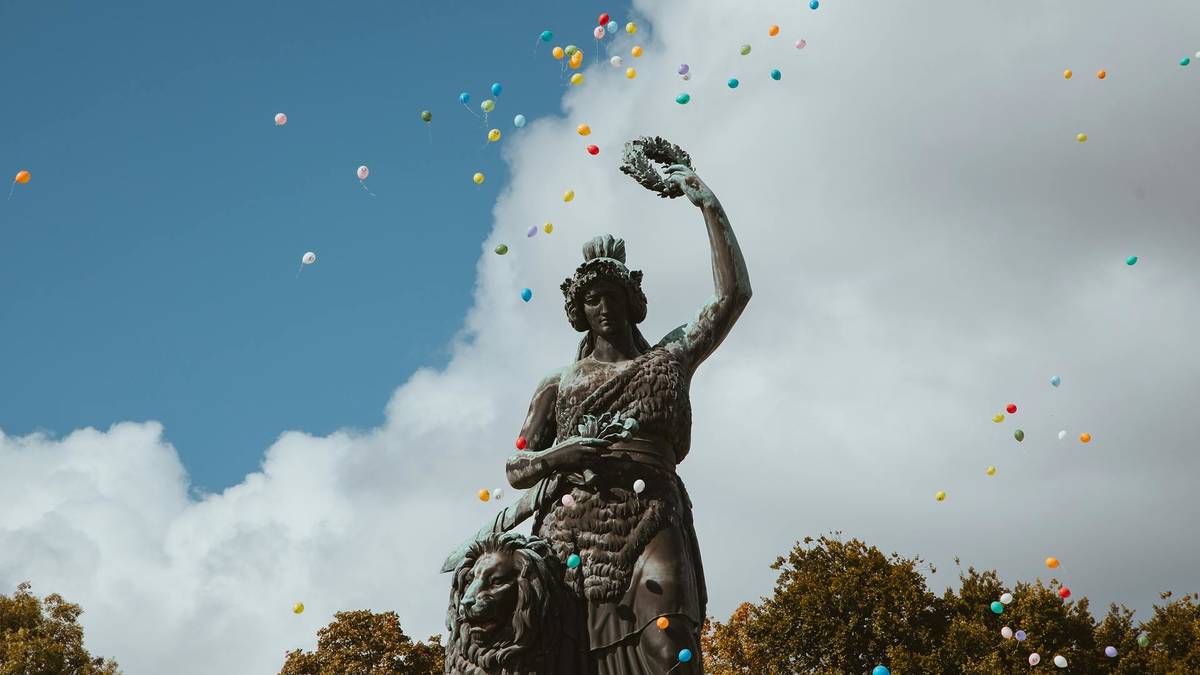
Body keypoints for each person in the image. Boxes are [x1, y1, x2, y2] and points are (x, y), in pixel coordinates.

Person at [505, 164, 752, 674]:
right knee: (569, 659)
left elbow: (732, 296)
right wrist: (561, 455)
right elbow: (517, 469)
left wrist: (708, 205)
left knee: (670, 639)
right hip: (574, 528)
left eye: (611, 295)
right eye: (591, 299)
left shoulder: (668, 359)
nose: (603, 307)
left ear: (630, 300)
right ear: (580, 308)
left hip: (653, 510)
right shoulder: (559, 383)